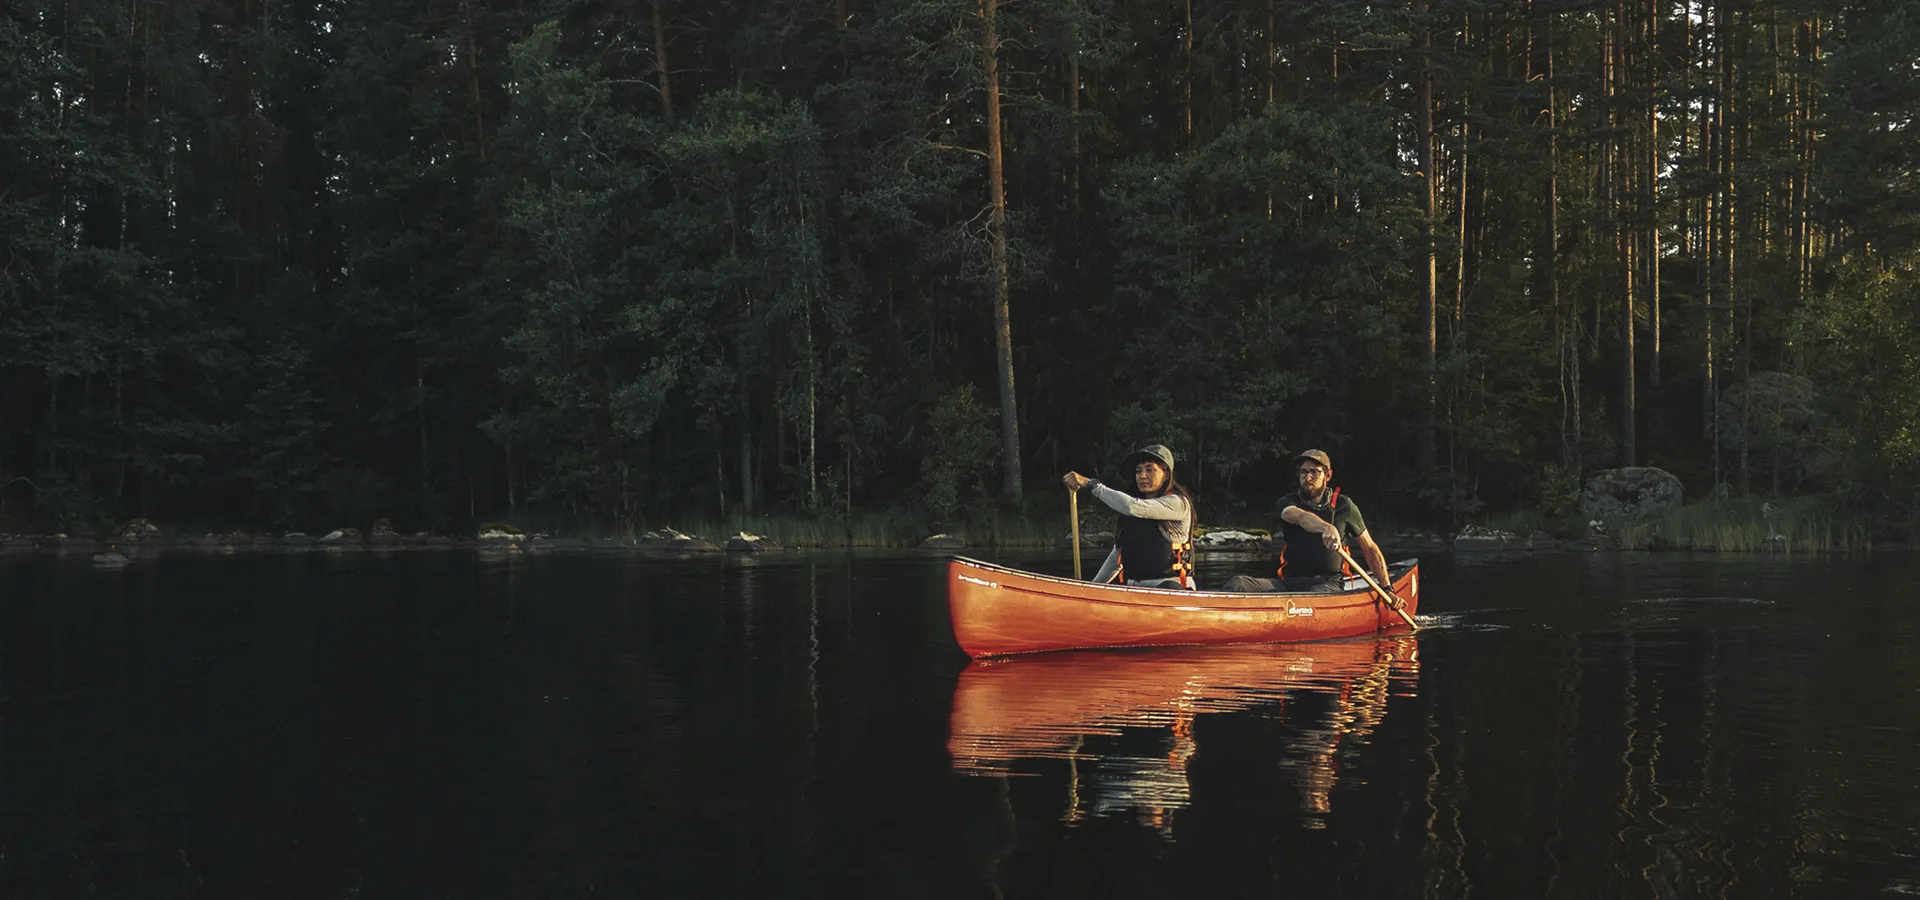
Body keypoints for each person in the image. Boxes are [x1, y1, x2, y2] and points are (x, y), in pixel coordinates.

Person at [1221, 449, 1390, 592]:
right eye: (1303, 472)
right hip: (1290, 582)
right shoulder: (1288, 502)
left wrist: (1387, 588)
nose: (1308, 477)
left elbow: (1369, 548)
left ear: (1328, 475)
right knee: (1239, 583)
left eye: (1314, 472)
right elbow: (1299, 517)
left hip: (1328, 584)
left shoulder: (1344, 506)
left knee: (1313, 596)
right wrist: (1326, 527)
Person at [1062, 444, 1195, 589]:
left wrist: (1091, 484)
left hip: (1170, 589)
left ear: (1166, 475)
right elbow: (1116, 557)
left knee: (1168, 586)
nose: (1142, 476)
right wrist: (1090, 589)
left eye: (1150, 470)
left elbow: (1133, 506)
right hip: (1134, 591)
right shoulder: (1132, 512)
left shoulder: (1178, 503)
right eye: (1138, 471)